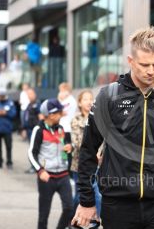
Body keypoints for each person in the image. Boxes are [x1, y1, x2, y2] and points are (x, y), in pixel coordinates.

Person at [72, 27, 154, 229]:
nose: (151, 71)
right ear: (130, 61)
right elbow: (88, 150)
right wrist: (86, 202)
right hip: (118, 205)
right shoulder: (109, 97)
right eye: (144, 64)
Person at [28, 98, 73, 229]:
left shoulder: (62, 129)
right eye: (59, 112)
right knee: (43, 215)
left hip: (63, 175)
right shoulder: (39, 130)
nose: (62, 114)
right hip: (46, 177)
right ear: (52, 114)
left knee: (69, 208)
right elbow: (31, 153)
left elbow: (69, 146)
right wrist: (40, 170)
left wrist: (70, 148)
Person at [70, 90, 101, 219]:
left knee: (98, 195)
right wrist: (94, 150)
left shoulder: (99, 117)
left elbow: (104, 140)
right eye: (85, 99)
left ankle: (96, 220)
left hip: (98, 164)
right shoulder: (76, 119)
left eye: (91, 99)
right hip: (80, 165)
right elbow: (77, 143)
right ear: (79, 103)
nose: (89, 102)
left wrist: (101, 153)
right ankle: (73, 219)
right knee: (79, 196)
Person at [0, 88, 17, 169]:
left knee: (8, 147)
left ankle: (9, 162)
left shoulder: (10, 104)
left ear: (5, 95)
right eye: (0, 96)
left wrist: (6, 113)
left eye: (3, 96)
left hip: (7, 129)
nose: (1, 97)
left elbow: (13, 114)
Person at [58, 82, 77, 171]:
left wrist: (59, 100)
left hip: (67, 129)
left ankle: (69, 173)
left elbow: (62, 112)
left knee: (68, 151)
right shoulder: (64, 100)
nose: (60, 93)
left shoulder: (70, 100)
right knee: (62, 150)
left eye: (62, 90)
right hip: (63, 128)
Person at [24, 88, 42, 174]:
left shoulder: (37, 104)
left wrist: (39, 128)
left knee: (34, 150)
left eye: (31, 94)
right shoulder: (29, 105)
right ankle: (33, 166)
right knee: (31, 149)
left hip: (35, 130)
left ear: (34, 94)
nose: (29, 96)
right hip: (29, 129)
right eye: (28, 94)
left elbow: (41, 117)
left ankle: (35, 167)